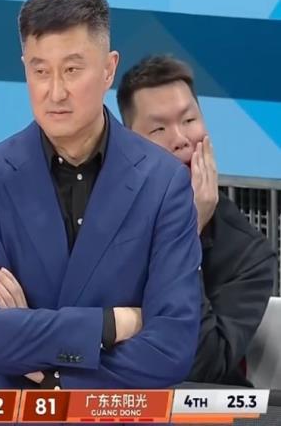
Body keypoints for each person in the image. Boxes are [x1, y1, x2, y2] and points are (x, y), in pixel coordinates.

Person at [0, 0, 202, 390]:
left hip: (116, 415)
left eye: (72, 70)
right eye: (40, 71)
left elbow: (171, 348)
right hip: (14, 413)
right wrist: (111, 324)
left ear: (108, 69)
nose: (55, 92)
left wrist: (46, 365)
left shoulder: (164, 183)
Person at [117, 54, 275, 386]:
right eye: (159, 128)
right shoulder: (98, 218)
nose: (180, 139)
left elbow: (202, 370)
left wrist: (186, 234)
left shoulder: (247, 254)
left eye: (189, 120)